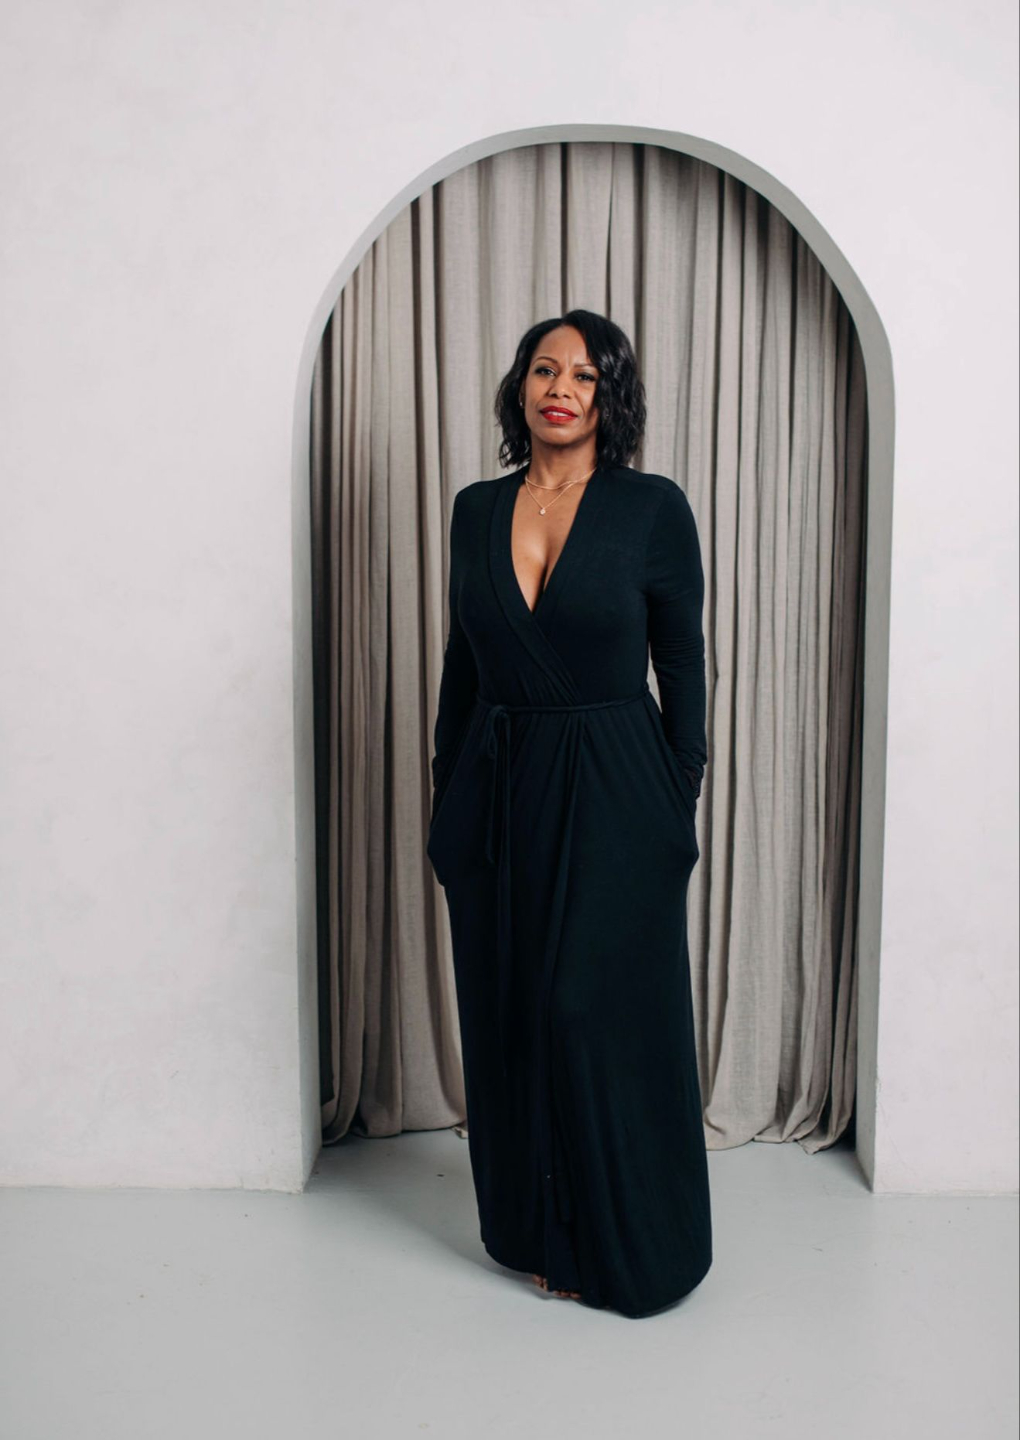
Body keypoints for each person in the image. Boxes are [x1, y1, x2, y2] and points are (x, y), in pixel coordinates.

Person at [427, 308, 711, 1318]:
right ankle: (539, 1234)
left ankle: (633, 1244)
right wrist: (447, 797)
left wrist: (675, 797)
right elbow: (463, 667)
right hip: (499, 791)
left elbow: (682, 667)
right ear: (521, 386)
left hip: (616, 787)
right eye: (545, 370)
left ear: (609, 396)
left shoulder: (651, 508)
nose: (561, 389)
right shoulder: (474, 510)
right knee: (514, 1012)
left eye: (585, 376)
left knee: (593, 1012)